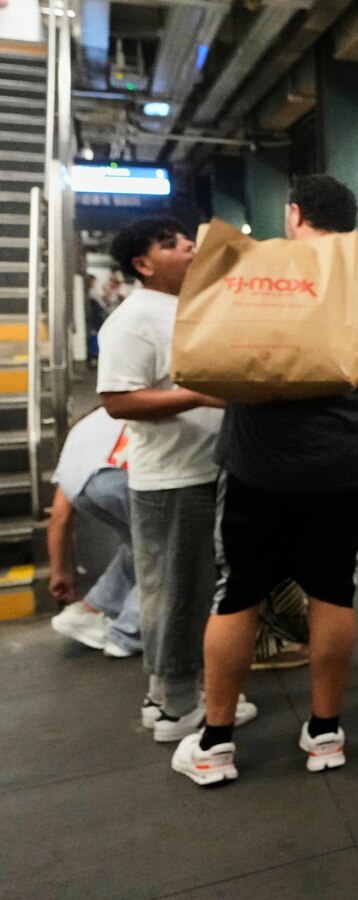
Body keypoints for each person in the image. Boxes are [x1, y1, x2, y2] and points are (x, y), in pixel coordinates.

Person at [170, 175, 358, 786]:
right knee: (333, 592)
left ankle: (216, 742)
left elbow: (216, 361)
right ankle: (326, 733)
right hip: (347, 467)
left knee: (238, 593)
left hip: (259, 465)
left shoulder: (252, 270)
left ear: (296, 214)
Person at [98, 216, 256, 743]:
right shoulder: (134, 319)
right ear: (143, 264)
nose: (188, 246)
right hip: (170, 480)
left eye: (186, 239)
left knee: (194, 588)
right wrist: (200, 395)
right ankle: (174, 707)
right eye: (171, 245)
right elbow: (118, 400)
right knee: (177, 593)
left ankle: (172, 695)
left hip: (207, 470)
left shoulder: (188, 306)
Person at [47, 407, 137, 657]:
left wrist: (59, 572)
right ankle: (128, 633)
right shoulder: (123, 416)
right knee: (166, 550)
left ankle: (89, 610)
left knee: (137, 545)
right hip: (120, 477)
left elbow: (60, 515)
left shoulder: (83, 431)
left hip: (81, 488)